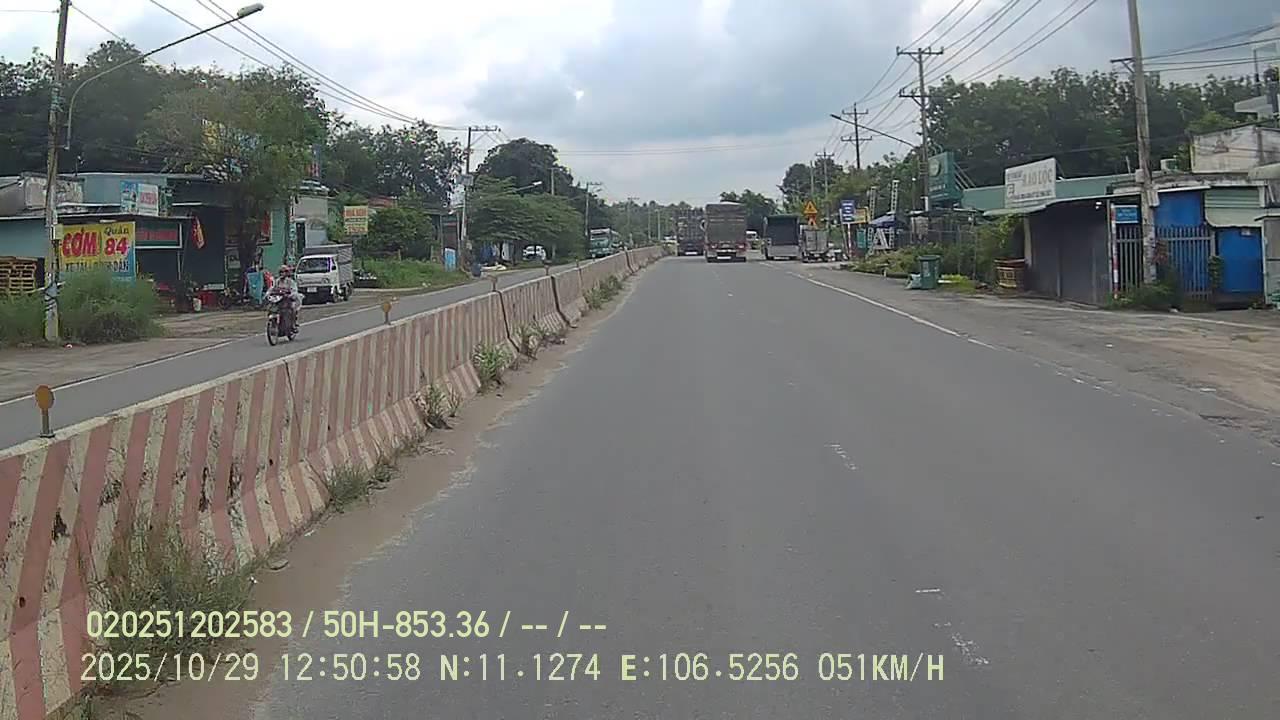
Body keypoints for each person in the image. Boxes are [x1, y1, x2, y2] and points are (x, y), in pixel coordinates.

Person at [272, 264, 303, 329]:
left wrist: (290, 294)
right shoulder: (277, 281)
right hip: (279, 299)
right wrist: (269, 293)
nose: (282, 273)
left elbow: (294, 290)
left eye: (284, 272)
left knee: (293, 308)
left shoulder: (290, 281)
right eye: (281, 272)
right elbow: (272, 288)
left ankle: (293, 323)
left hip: (288, 299)